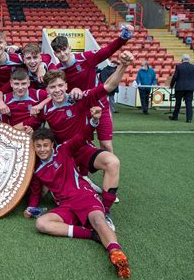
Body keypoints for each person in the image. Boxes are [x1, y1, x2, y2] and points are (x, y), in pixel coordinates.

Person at [26, 109, 130, 279]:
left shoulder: (64, 151)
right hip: (65, 206)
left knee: (98, 220)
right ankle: (91, 235)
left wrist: (94, 122)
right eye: (38, 146)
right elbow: (36, 193)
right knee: (42, 224)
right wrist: (31, 207)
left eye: (45, 145)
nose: (42, 149)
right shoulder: (37, 170)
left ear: (52, 144)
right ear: (34, 147)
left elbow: (82, 136)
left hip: (83, 196)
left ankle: (116, 253)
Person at [37, 51, 134, 230]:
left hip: (82, 149)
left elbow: (108, 87)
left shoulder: (79, 98)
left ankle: (105, 212)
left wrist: (123, 66)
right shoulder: (45, 110)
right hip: (64, 156)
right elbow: (31, 126)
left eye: (60, 85)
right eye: (52, 87)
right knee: (45, 193)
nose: (57, 90)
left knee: (112, 162)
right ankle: (80, 193)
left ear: (66, 85)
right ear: (47, 91)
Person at [51, 25, 134, 153]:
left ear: (69, 48)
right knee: (79, 144)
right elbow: (55, 90)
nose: (62, 54)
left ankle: (110, 168)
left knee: (106, 145)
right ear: (55, 53)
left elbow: (108, 50)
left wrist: (124, 38)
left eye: (64, 49)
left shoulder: (86, 58)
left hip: (99, 104)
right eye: (58, 52)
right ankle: (81, 172)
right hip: (79, 110)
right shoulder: (58, 70)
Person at [169, 54, 194, 123]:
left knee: (178, 103)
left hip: (180, 87)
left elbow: (175, 77)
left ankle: (175, 116)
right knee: (189, 103)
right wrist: (192, 83)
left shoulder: (179, 66)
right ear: (189, 59)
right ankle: (189, 119)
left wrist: (171, 85)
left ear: (182, 59)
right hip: (190, 87)